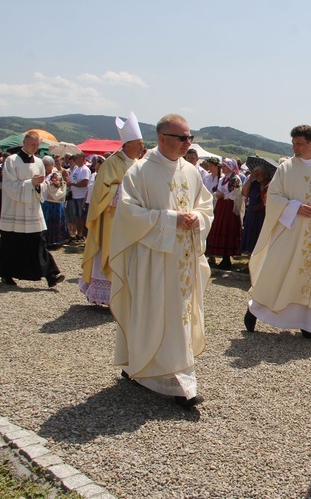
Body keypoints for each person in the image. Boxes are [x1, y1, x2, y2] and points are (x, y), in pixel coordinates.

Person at [109, 113, 214, 407]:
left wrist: (199, 218)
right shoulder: (140, 172)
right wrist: (171, 220)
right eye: (182, 138)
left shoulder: (191, 171)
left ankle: (179, 378)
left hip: (182, 260)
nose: (187, 143)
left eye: (190, 137)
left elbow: (206, 205)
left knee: (178, 315)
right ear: (162, 138)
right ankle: (148, 370)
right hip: (152, 260)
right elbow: (128, 214)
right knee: (153, 313)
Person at [244, 125, 311, 346]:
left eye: (299, 143)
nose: (295, 148)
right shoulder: (286, 168)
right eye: (293, 143)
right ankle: (255, 310)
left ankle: (310, 327)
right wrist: (294, 207)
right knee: (277, 272)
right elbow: (273, 196)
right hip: (291, 233)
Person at [80, 112, 144, 306]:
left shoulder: (136, 164)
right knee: (108, 255)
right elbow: (101, 192)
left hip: (130, 221)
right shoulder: (111, 163)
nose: (142, 147)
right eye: (139, 143)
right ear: (128, 144)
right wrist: (128, 190)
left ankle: (124, 297)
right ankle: (104, 296)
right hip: (111, 220)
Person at [0, 132, 65, 288]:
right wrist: (30, 183)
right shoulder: (11, 161)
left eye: (37, 145)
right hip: (15, 210)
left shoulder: (39, 162)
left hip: (32, 209)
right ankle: (6, 274)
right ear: (24, 142)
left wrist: (40, 185)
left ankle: (51, 274)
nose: (35, 148)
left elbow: (40, 185)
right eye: (32, 144)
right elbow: (9, 186)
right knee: (12, 243)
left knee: (38, 242)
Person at [206, 158, 243, 270]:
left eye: (225, 166)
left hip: (229, 208)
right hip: (222, 207)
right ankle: (223, 258)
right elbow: (219, 189)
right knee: (220, 228)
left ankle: (227, 259)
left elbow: (236, 194)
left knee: (227, 229)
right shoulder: (224, 178)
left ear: (231, 167)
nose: (223, 168)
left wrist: (224, 195)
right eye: (223, 166)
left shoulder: (235, 178)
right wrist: (218, 194)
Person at [239, 163, 272, 254]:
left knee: (258, 236)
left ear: (265, 174)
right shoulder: (254, 183)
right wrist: (250, 178)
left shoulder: (269, 184)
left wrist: (263, 190)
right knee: (250, 235)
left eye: (259, 173)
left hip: (261, 214)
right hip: (251, 213)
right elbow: (244, 193)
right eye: (256, 173)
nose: (258, 176)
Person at [40, 155, 69, 247]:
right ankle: (45, 240)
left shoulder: (56, 174)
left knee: (53, 221)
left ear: (51, 165)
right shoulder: (44, 174)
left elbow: (55, 186)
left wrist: (45, 183)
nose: (44, 167)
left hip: (54, 203)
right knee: (45, 221)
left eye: (46, 165)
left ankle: (55, 241)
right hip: (45, 201)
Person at [68, 153, 91, 241]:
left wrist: (73, 184)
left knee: (81, 216)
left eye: (76, 158)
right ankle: (78, 233)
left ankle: (82, 234)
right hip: (75, 195)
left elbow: (85, 182)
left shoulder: (85, 170)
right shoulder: (76, 169)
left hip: (81, 196)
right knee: (77, 216)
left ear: (82, 158)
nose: (75, 160)